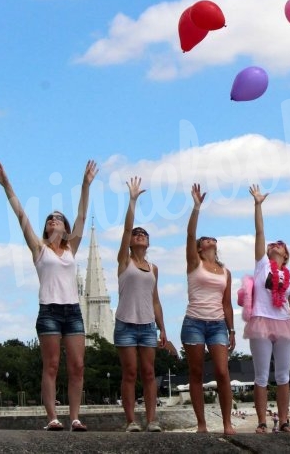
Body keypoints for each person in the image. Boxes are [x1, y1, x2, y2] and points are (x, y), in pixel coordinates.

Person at [0, 159, 97, 432]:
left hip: (73, 311)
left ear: (65, 227)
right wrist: (7, 185)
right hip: (49, 311)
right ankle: (52, 417)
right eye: (50, 219)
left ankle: (74, 417)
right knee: (51, 365)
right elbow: (21, 216)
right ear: (47, 228)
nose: (53, 220)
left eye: (58, 218)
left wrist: (85, 185)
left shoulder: (72, 247)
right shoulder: (39, 248)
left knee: (78, 366)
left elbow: (83, 215)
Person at [246, 184, 290, 434]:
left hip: (283, 323)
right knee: (261, 376)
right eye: (273, 244)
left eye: (279, 245)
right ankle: (261, 421)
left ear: (286, 255)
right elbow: (259, 232)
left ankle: (284, 421)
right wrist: (258, 204)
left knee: (283, 376)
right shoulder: (262, 265)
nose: (274, 245)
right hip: (261, 319)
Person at [182, 183, 236, 434]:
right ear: (200, 247)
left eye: (211, 238)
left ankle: (227, 422)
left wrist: (232, 330)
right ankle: (201, 423)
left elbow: (227, 303)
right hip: (194, 321)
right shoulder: (195, 263)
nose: (208, 239)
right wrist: (196, 208)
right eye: (204, 239)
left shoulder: (226, 272)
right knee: (196, 373)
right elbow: (190, 235)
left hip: (217, 324)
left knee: (223, 373)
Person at [115, 176, 168, 433]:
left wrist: (163, 330)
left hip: (148, 325)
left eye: (143, 234)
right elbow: (126, 230)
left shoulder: (153, 268)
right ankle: (130, 421)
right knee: (130, 373)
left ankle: (152, 419)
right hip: (125, 323)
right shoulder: (124, 261)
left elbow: (155, 300)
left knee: (149, 373)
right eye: (137, 234)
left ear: (148, 243)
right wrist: (133, 201)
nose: (139, 236)